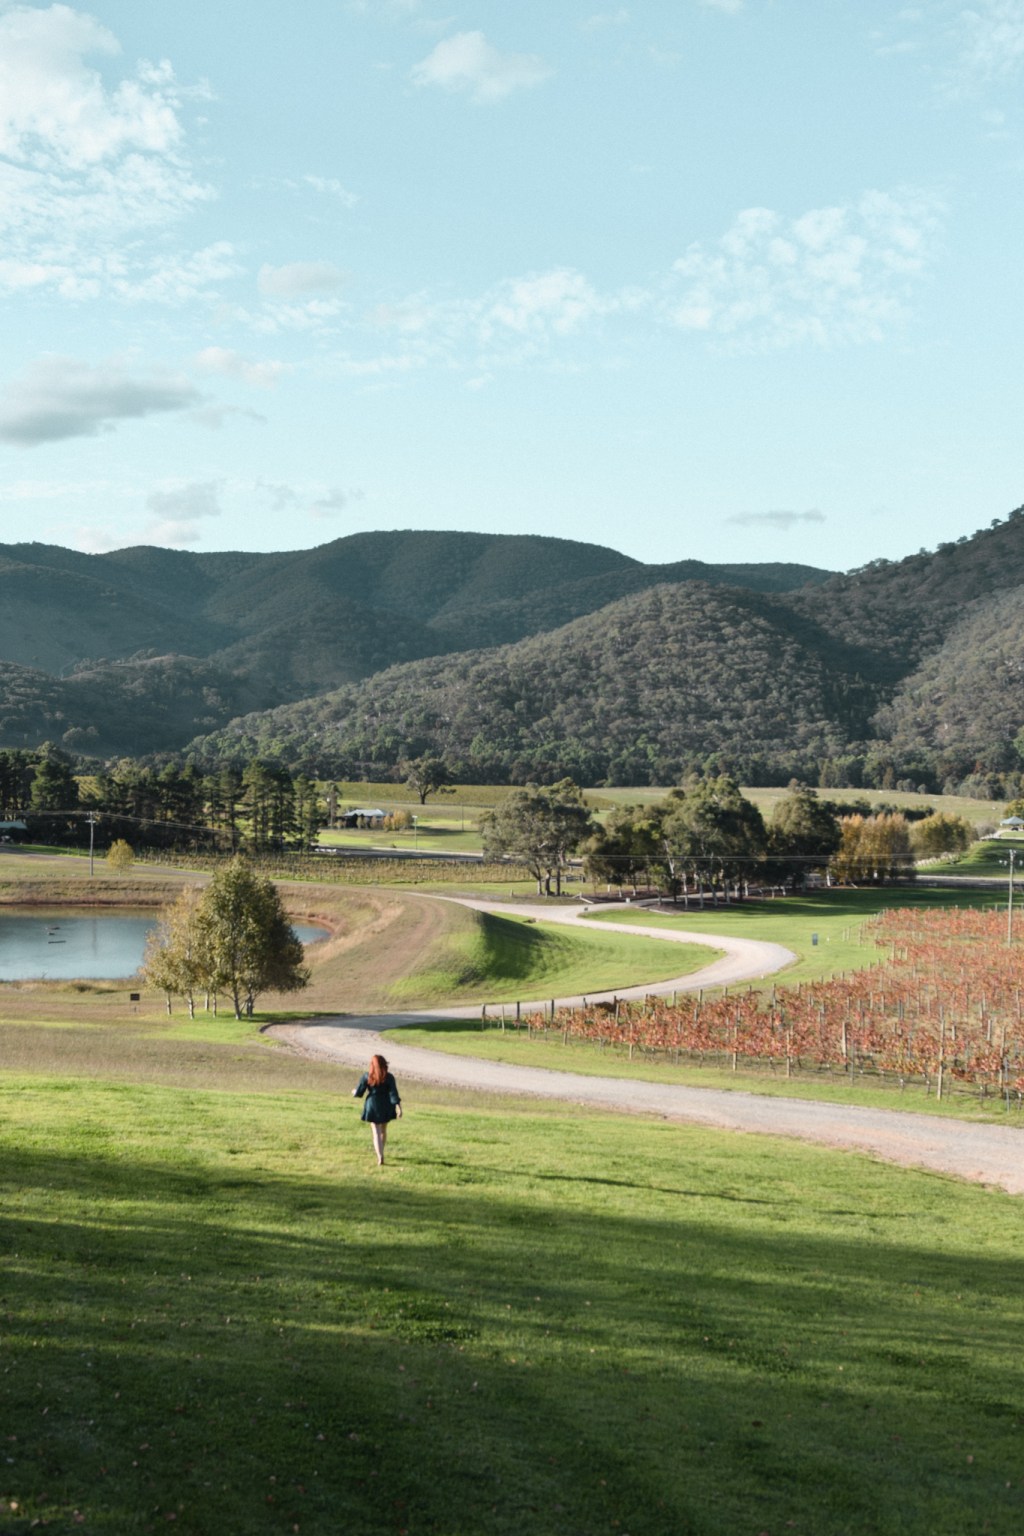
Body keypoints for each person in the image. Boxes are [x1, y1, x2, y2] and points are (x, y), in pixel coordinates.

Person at [352, 1053, 402, 1165]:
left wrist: (354, 1092)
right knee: (383, 1130)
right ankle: (381, 1152)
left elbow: (359, 1092)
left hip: (372, 1105)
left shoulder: (367, 1076)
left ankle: (380, 1156)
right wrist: (399, 1108)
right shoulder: (389, 1077)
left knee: (376, 1132)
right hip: (386, 1105)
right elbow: (393, 1094)